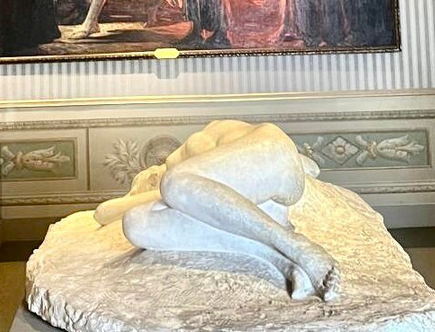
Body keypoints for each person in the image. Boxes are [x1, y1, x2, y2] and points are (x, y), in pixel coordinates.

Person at [94, 120, 339, 301]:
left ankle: (297, 247)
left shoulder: (196, 144)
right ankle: (284, 261)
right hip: (262, 194)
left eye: (147, 181)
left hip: (273, 155)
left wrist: (160, 187)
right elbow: (105, 213)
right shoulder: (191, 181)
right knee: (136, 223)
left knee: (175, 184)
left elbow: (108, 210)